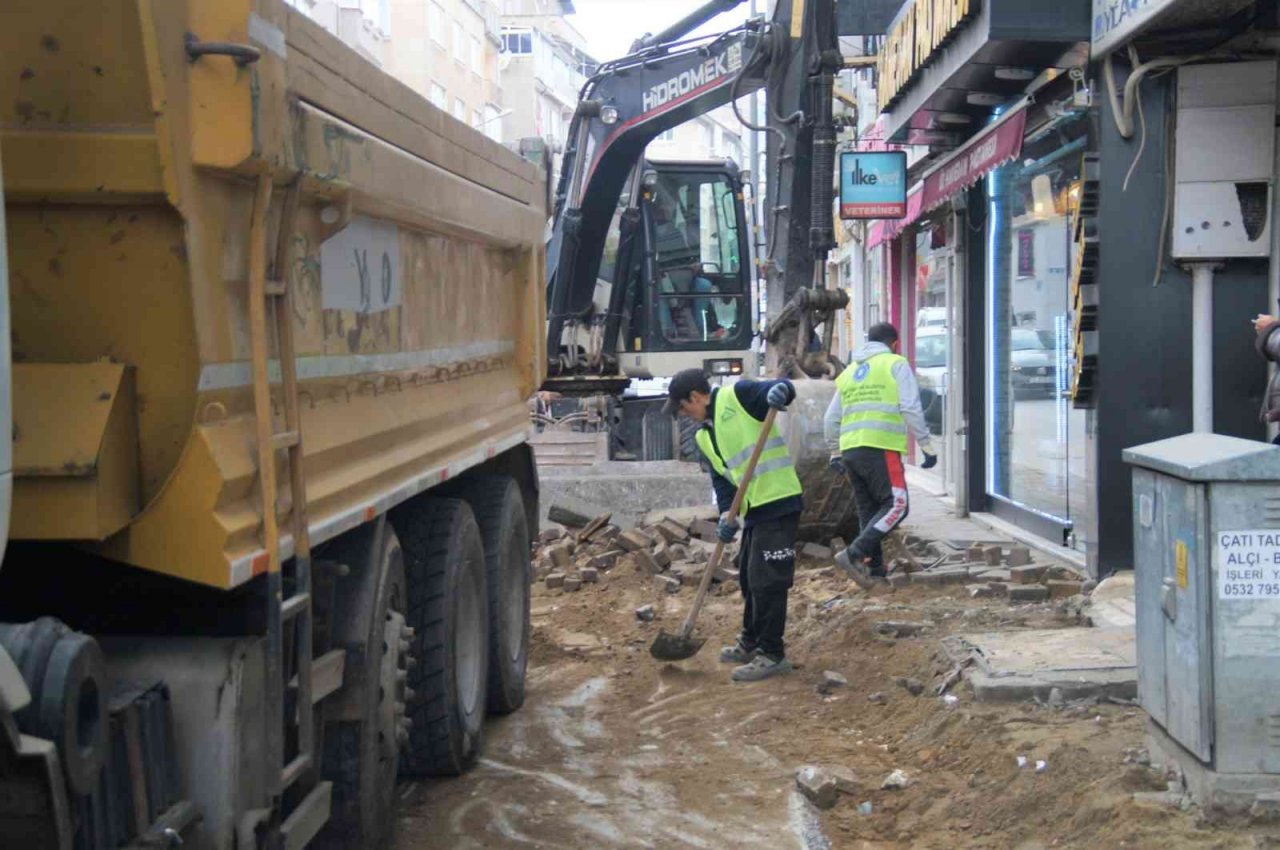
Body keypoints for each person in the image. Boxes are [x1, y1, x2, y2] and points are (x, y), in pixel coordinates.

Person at [663, 368, 803, 682]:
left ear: (696, 397)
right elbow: (723, 482)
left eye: (683, 407)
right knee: (749, 579)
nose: (684, 415)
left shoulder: (737, 396)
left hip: (779, 501)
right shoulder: (703, 436)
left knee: (768, 582)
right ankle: (751, 641)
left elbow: (781, 387)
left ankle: (772, 654)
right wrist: (728, 515)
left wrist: (782, 391)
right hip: (755, 509)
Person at [827, 322, 937, 588]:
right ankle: (854, 554)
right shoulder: (895, 363)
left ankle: (874, 569)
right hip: (880, 446)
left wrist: (834, 452)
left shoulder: (850, 372)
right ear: (894, 343)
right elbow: (910, 406)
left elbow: (831, 418)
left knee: (869, 511)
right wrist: (926, 445)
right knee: (897, 506)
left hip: (851, 450)